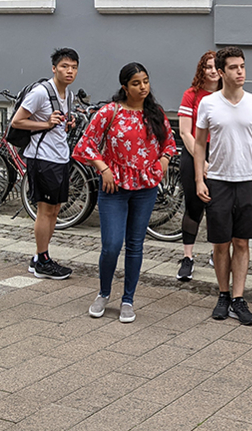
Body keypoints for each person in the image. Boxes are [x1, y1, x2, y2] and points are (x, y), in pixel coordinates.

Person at [73, 63, 177, 323]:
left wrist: (163, 162)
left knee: (135, 245)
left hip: (145, 188)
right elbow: (85, 144)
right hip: (114, 188)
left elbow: (169, 143)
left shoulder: (155, 113)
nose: (142, 87)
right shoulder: (110, 112)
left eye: (145, 81)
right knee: (111, 245)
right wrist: (103, 168)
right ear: (124, 87)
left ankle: (128, 299)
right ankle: (103, 293)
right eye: (136, 83)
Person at [195, 46, 252, 325]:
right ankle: (223, 295)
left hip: (249, 182)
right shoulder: (209, 103)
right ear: (221, 71)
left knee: (242, 242)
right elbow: (200, 144)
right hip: (218, 182)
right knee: (220, 243)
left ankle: (239, 298)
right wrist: (198, 180)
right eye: (234, 67)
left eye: (242, 66)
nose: (240, 71)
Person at [10, 48, 79, 280]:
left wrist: (66, 123)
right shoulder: (41, 92)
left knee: (56, 209)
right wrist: (46, 124)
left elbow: (57, 123)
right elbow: (17, 121)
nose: (69, 71)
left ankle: (40, 258)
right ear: (54, 68)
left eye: (73, 67)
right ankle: (43, 259)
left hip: (60, 157)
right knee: (45, 210)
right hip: (42, 159)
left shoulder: (67, 94)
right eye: (64, 66)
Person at [175, 50, 220, 282]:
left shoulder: (227, 96)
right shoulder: (191, 95)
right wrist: (201, 162)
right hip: (194, 153)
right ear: (201, 70)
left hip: (220, 154)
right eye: (208, 67)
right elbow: (184, 131)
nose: (212, 71)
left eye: (216, 67)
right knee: (194, 207)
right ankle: (188, 257)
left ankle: (217, 253)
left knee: (218, 207)